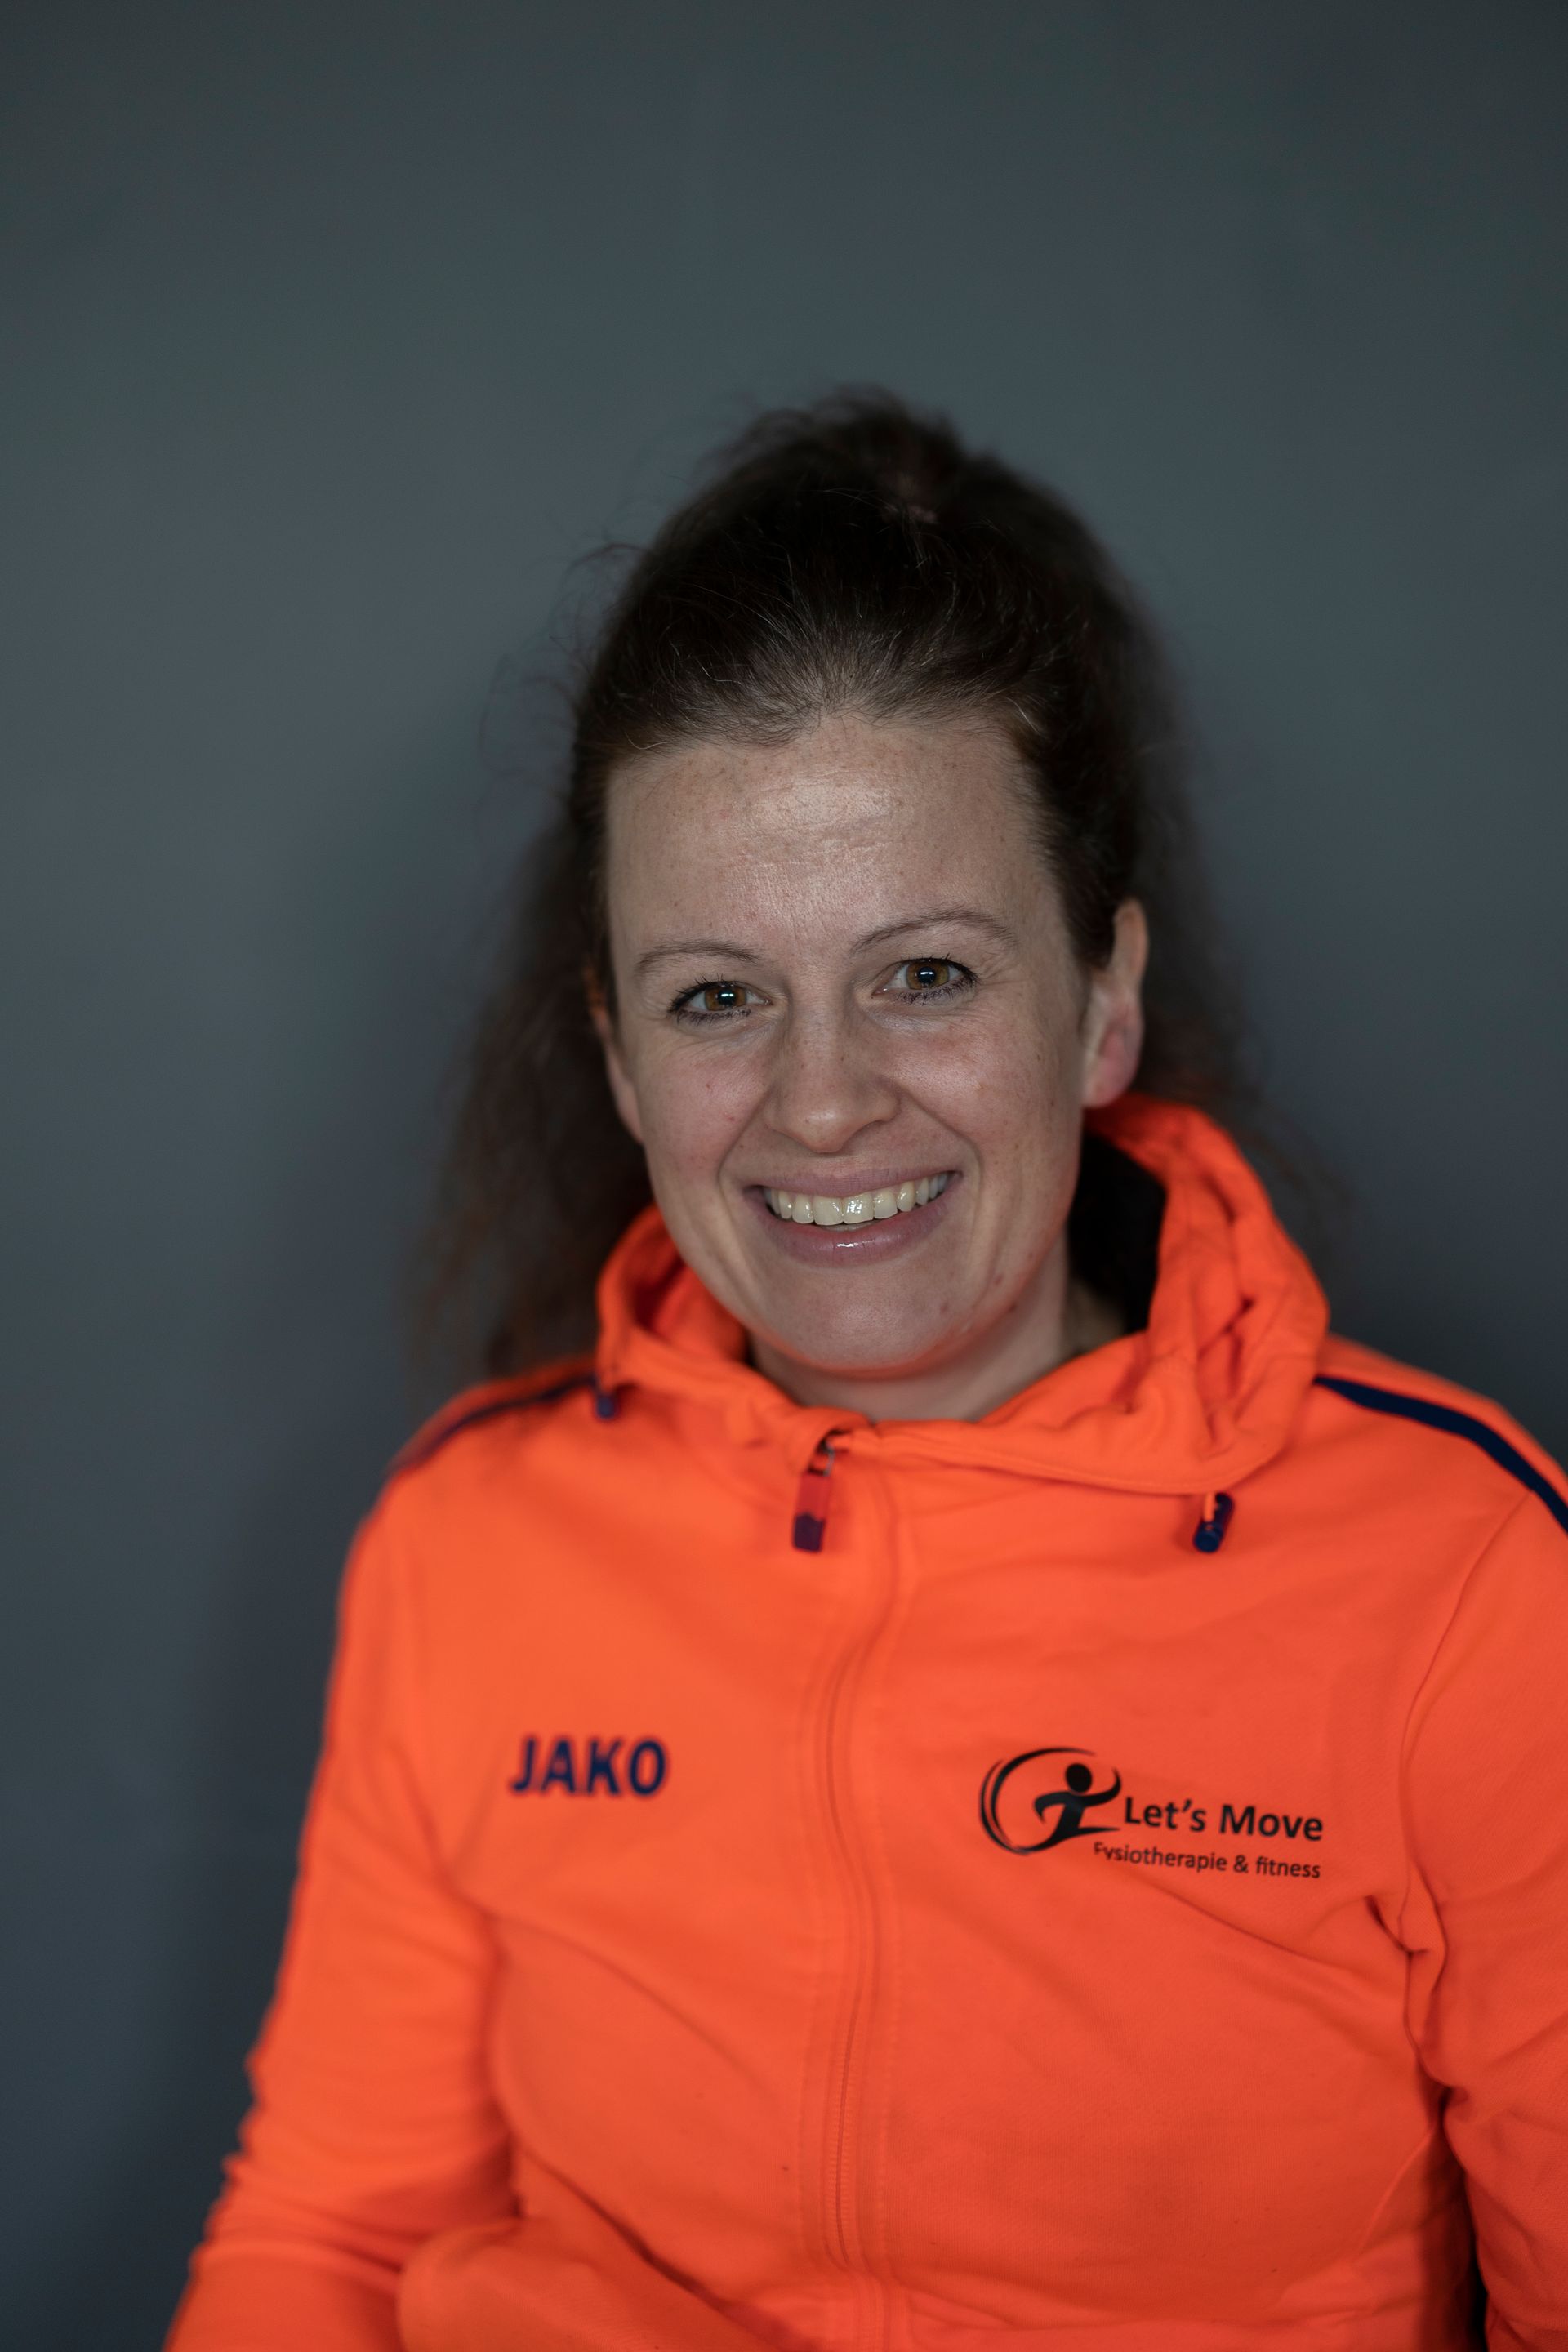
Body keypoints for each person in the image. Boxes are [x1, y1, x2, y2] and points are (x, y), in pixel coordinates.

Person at [167, 395, 1568, 2352]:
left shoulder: (1467, 1584)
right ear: (622, 1055)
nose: (820, 1104)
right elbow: (327, 2238)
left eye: (926, 975)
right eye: (718, 998)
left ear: (1103, 1002)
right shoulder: (467, 1542)